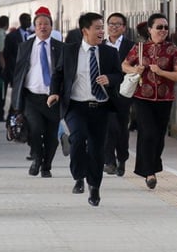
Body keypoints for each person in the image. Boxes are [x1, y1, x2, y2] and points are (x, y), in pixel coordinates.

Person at [48, 12, 122, 207]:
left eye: (101, 28)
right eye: (97, 28)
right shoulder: (69, 51)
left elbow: (118, 75)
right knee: (78, 138)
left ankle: (94, 187)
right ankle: (78, 175)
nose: (101, 32)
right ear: (85, 31)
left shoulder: (109, 52)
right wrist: (54, 93)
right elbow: (58, 74)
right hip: (76, 106)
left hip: (101, 107)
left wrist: (110, 79)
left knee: (97, 149)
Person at [123, 13, 177, 191]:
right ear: (150, 30)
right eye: (159, 27)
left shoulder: (172, 50)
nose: (163, 31)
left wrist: (161, 72)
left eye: (166, 27)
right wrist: (136, 69)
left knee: (158, 137)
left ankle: (151, 166)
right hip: (143, 97)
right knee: (147, 133)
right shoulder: (139, 48)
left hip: (165, 99)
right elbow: (124, 65)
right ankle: (149, 172)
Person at [10, 7, 64, 178]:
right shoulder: (25, 46)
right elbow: (19, 73)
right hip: (31, 97)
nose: (42, 27)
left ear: (51, 26)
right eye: (39, 24)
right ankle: (37, 159)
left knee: (51, 137)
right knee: (34, 130)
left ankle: (46, 166)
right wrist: (16, 101)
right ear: (34, 27)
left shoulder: (60, 48)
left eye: (46, 24)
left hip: (53, 98)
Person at [103, 12, 135, 177]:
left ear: (124, 27)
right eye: (111, 24)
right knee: (109, 126)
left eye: (117, 24)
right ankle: (109, 161)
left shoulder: (131, 46)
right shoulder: (100, 45)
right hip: (105, 92)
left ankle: (122, 158)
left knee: (121, 128)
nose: (113, 27)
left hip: (124, 93)